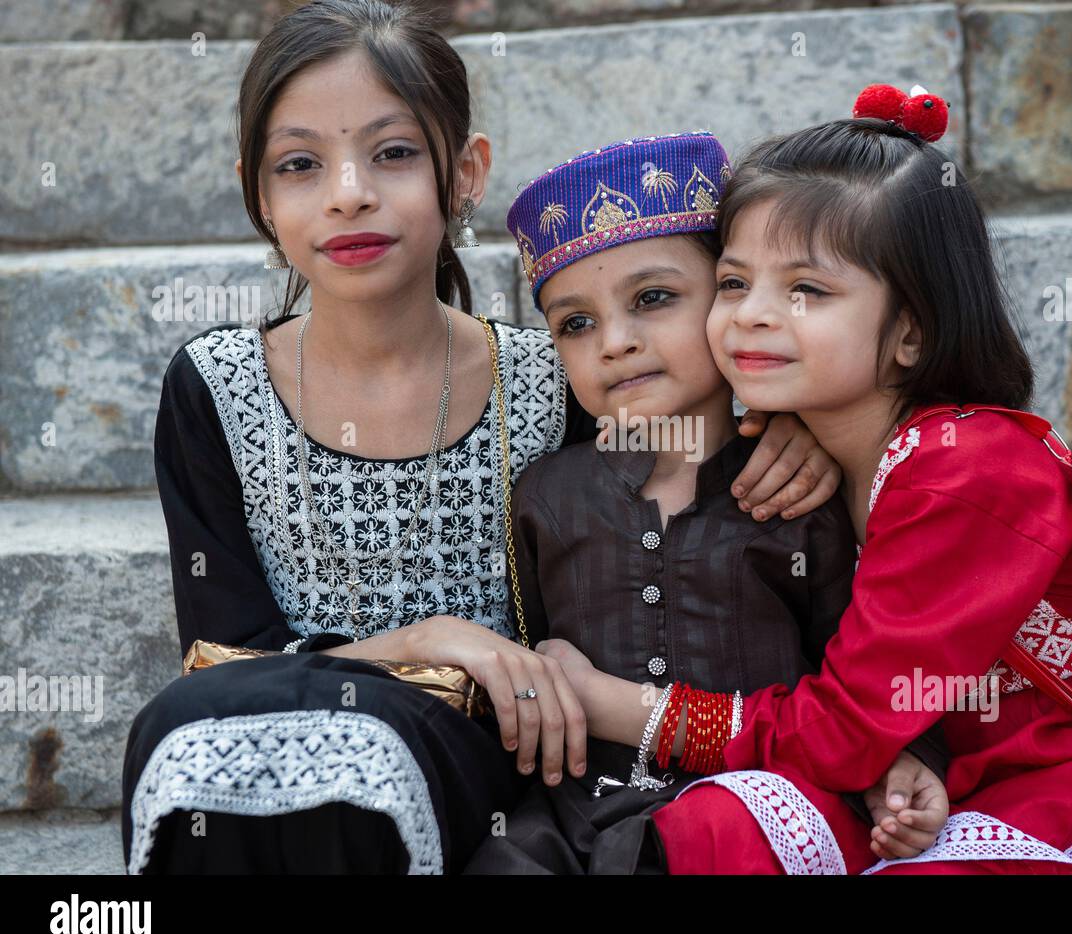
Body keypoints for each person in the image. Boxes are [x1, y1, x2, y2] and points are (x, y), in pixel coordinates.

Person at [121, 0, 848, 875]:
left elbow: (693, 428)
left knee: (355, 773)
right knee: (195, 730)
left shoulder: (559, 376)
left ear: (465, 173)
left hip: (485, 742)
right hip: (276, 703)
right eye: (301, 164)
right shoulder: (216, 386)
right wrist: (429, 638)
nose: (348, 191)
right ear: (259, 193)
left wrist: (788, 427)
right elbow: (222, 654)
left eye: (392, 153)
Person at [546, 86, 1072, 874]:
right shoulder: (830, 440)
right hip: (928, 784)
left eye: (808, 291)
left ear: (913, 331)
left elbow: (843, 733)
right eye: (733, 283)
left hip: (1065, 793)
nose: (753, 315)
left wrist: (616, 706)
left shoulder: (966, 470)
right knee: (723, 830)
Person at [464, 131, 951, 874]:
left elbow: (863, 673)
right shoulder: (545, 496)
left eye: (653, 299)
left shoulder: (800, 489)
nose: (616, 343)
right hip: (580, 809)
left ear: (729, 299)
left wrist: (905, 760)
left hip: (757, 806)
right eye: (576, 323)